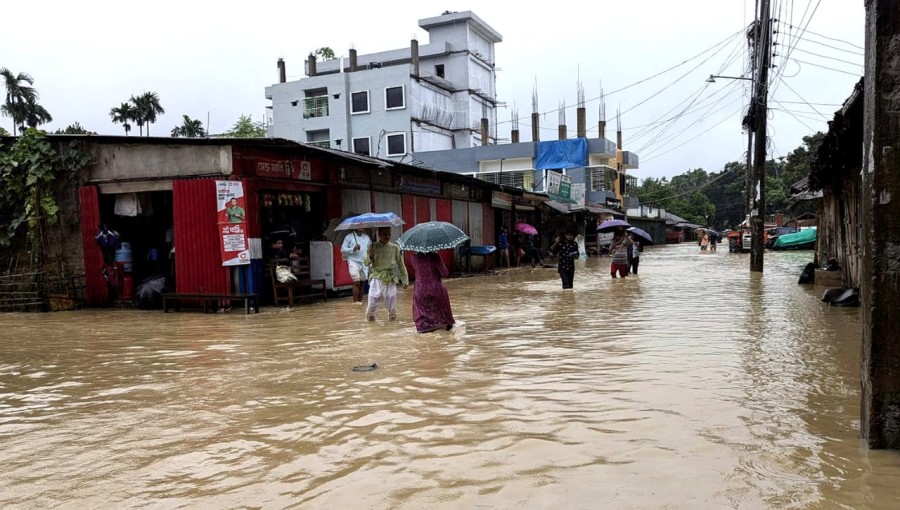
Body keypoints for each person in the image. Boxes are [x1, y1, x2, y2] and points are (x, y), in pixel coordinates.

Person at [365, 227, 409, 322]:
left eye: (389, 234)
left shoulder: (395, 248)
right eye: (384, 234)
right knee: (371, 305)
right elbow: (366, 263)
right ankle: (372, 329)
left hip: (390, 279)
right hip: (376, 279)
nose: (387, 236)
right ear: (379, 235)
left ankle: (392, 326)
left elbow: (401, 265)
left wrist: (405, 280)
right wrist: (370, 255)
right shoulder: (372, 247)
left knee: (392, 306)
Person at [410, 252, 455, 332]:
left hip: (420, 290)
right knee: (442, 317)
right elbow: (445, 273)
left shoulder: (414, 258)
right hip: (436, 289)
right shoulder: (435, 257)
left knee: (422, 313)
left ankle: (424, 328)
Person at [341, 228, 371, 304]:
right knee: (356, 281)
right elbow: (342, 249)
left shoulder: (366, 237)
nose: (361, 229)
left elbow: (369, 249)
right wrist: (353, 249)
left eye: (363, 228)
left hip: (363, 262)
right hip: (353, 261)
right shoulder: (349, 237)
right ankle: (355, 302)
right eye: (359, 227)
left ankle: (359, 302)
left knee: (362, 283)